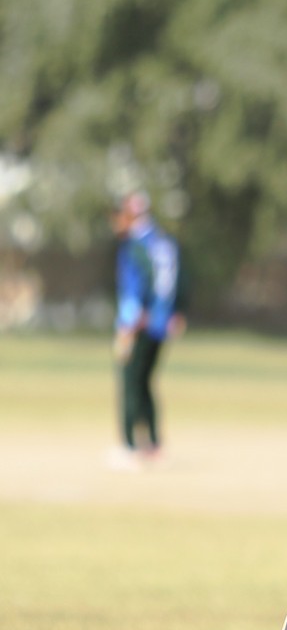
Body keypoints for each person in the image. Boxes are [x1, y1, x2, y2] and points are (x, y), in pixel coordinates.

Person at [110, 191, 185, 466]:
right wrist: (175, 312)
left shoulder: (136, 245)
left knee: (130, 379)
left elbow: (143, 282)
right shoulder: (164, 241)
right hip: (160, 324)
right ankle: (153, 444)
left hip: (139, 322)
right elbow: (179, 279)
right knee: (145, 381)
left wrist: (136, 316)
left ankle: (130, 445)